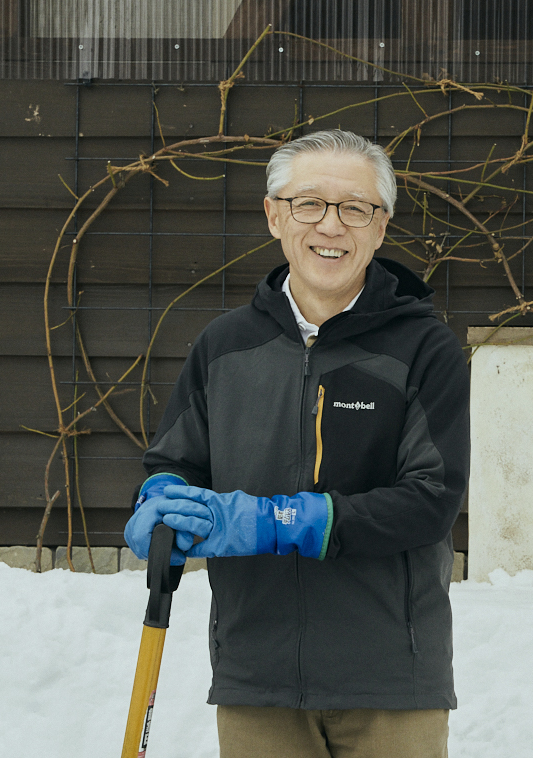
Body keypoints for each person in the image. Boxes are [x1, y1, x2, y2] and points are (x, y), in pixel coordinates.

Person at [123, 129, 470, 757]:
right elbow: (175, 461)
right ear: (275, 216)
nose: (330, 226)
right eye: (309, 203)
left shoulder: (425, 349)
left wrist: (279, 521)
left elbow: (430, 500)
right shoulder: (225, 346)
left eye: (355, 208)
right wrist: (162, 502)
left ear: (381, 225)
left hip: (390, 682)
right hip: (257, 676)